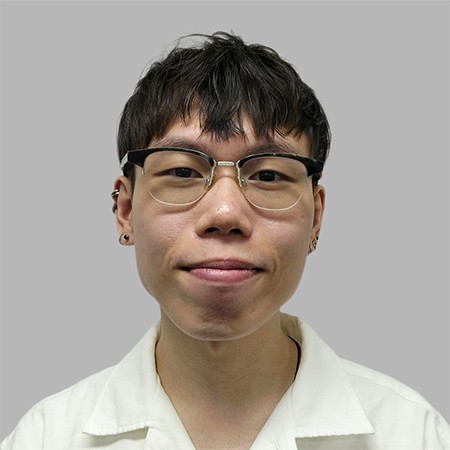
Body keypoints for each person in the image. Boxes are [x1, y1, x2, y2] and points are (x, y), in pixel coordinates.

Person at [1, 31, 449, 450]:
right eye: (182, 171)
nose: (225, 213)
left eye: (268, 175)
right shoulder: (45, 438)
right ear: (126, 210)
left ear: (316, 217)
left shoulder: (413, 435)